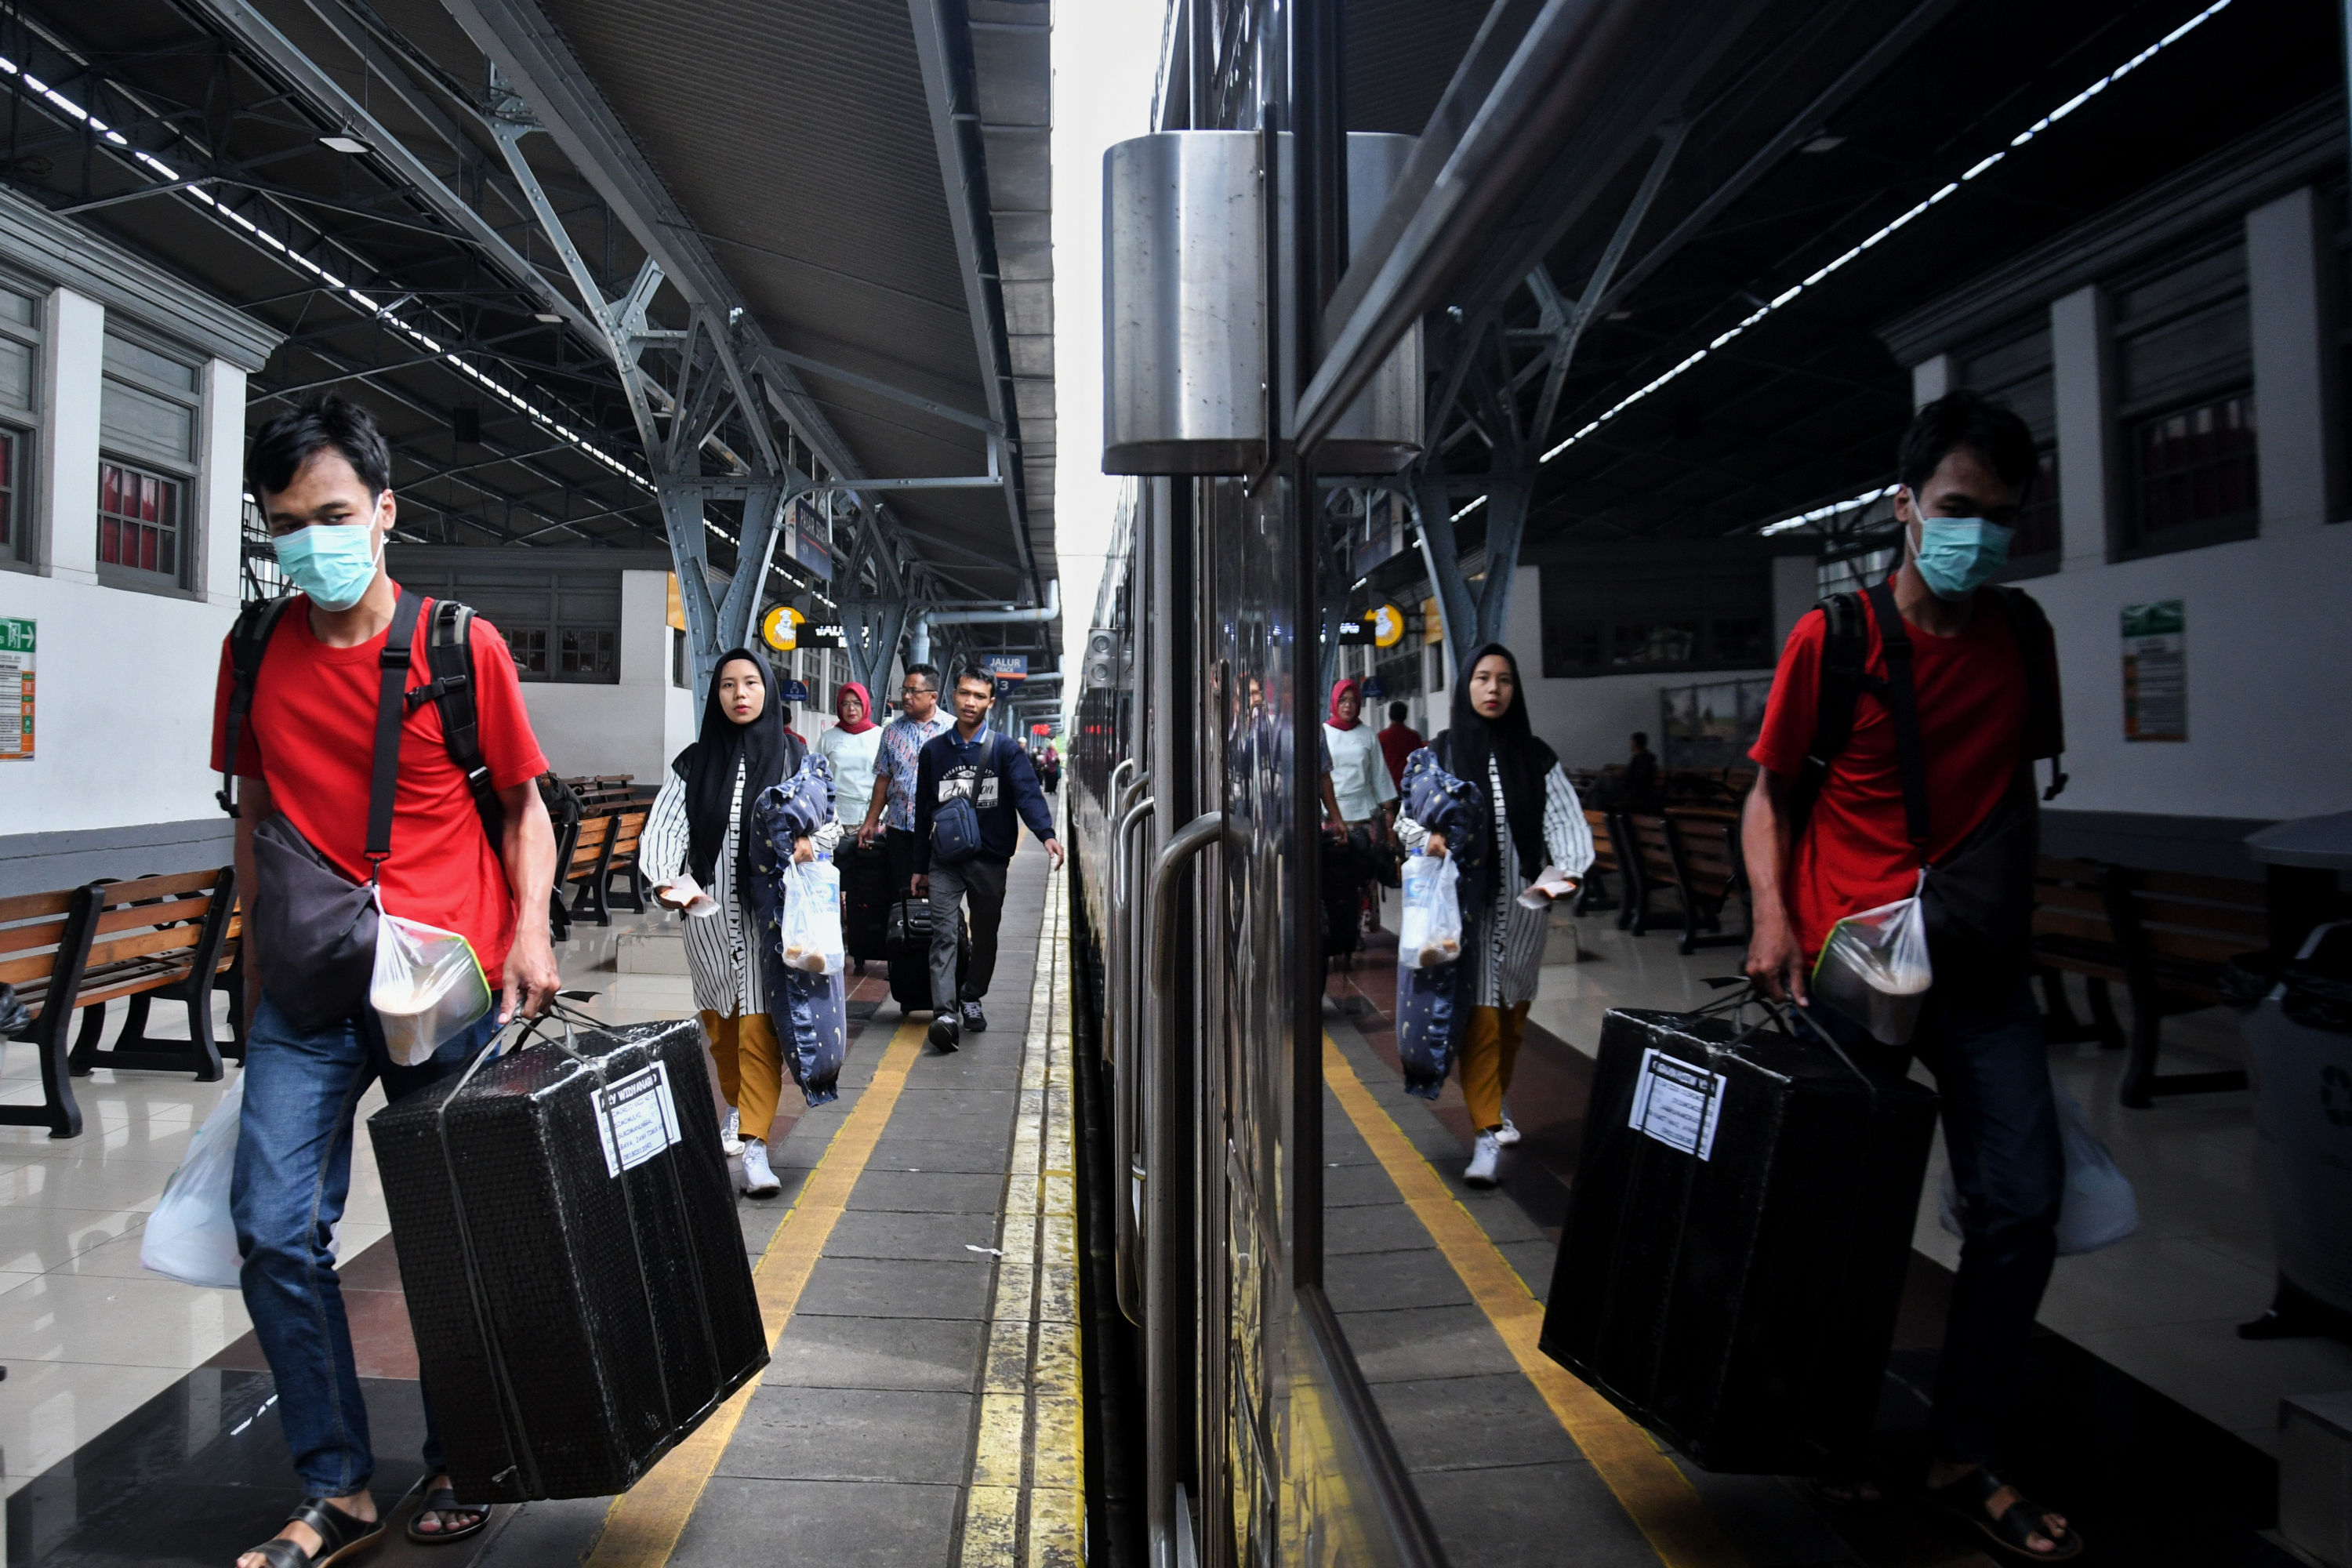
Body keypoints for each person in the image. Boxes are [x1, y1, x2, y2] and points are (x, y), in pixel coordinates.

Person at [213, 394, 560, 1566]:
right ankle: (339, 1485)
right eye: (285, 525)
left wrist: (534, 936)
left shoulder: (462, 647)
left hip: (445, 990)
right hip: (309, 988)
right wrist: (252, 973)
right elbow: (254, 812)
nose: (310, 542)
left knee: (451, 1235)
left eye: (332, 514)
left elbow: (524, 806)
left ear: (385, 513)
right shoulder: (255, 648)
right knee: (272, 1230)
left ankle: (470, 1447)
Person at [1743, 390, 2077, 1561]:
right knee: (1842, 1216)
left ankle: (1964, 1450)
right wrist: (1776, 919)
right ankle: (1827, 1430)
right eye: (1954, 508)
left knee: (2022, 1203)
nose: (1976, 534)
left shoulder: (2021, 640)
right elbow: (1770, 796)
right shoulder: (1832, 642)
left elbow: (2013, 795)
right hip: (1848, 973)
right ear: (1903, 507)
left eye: (1999, 516)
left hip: (1978, 975)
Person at [1395, 644, 1592, 1186]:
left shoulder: (1537, 757)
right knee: (1480, 1021)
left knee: (1511, 1018)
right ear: (1466, 687)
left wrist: (1563, 873)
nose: (1493, 690)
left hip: (1525, 914)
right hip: (1466, 914)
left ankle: (1495, 1106)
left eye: (1504, 680)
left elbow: (1566, 828)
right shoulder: (1442, 753)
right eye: (1482, 678)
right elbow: (1405, 821)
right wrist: (1430, 839)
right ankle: (1484, 1134)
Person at [644, 650, 831, 1200]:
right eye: (728, 685)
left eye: (751, 683)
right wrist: (667, 881)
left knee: (758, 1029)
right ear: (716, 695)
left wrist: (806, 843)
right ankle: (737, 1106)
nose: (740, 694)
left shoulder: (794, 756)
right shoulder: (694, 762)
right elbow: (665, 830)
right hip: (706, 919)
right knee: (721, 1029)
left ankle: (755, 1146)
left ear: (768, 691)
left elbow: (828, 822)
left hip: (768, 920)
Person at [911, 668, 1064, 1051]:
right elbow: (922, 811)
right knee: (943, 934)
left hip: (990, 859)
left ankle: (972, 996)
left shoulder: (1005, 750)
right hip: (945, 859)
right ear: (953, 695)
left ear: (990, 703)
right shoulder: (933, 752)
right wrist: (918, 866)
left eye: (979, 696)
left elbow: (1028, 793)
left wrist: (1045, 834)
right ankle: (944, 1012)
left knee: (986, 934)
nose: (970, 702)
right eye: (964, 694)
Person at [856, 663, 950, 907]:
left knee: (938, 898)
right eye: (904, 690)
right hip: (900, 832)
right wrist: (870, 821)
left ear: (932, 697)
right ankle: (902, 943)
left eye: (914, 691)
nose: (906, 696)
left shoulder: (953, 731)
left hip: (939, 832)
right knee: (901, 896)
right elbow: (883, 779)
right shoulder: (892, 732)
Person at [817, 681, 882, 827]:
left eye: (857, 703)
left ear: (865, 704)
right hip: (833, 820)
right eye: (845, 704)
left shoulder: (881, 736)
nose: (851, 709)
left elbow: (888, 779)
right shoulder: (828, 738)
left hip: (871, 820)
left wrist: (881, 817)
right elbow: (817, 777)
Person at [1377, 699, 1421, 790]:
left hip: (1390, 787)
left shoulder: (1382, 737)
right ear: (1405, 716)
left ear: (1389, 715)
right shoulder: (1414, 737)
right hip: (1411, 785)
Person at [1624, 731, 1662, 810]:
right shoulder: (1639, 759)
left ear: (1636, 744)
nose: (1630, 745)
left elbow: (1636, 778)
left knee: (1603, 780)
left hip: (1636, 793)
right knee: (1596, 795)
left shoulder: (1644, 761)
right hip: (1630, 790)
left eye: (1632, 743)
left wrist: (1623, 775)